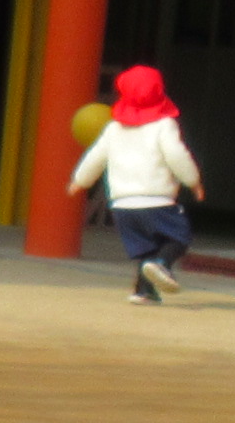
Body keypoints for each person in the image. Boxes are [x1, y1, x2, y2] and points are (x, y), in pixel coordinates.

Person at [69, 66, 203, 303]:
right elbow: (176, 155)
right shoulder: (163, 125)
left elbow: (95, 157)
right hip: (157, 199)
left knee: (145, 249)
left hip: (123, 204)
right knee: (179, 238)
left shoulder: (113, 128)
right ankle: (162, 264)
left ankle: (143, 291)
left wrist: (80, 181)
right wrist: (193, 181)